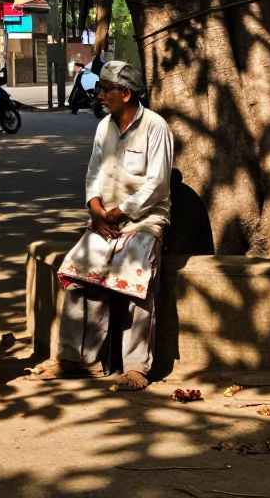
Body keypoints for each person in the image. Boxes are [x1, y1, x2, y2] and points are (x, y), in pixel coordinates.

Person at [31, 60, 173, 391]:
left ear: (125, 94)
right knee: (79, 277)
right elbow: (93, 172)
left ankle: (136, 367)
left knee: (135, 284)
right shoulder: (104, 128)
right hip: (104, 219)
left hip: (143, 220)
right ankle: (75, 359)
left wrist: (121, 212)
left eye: (105, 90)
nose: (100, 96)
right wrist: (95, 207)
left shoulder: (155, 127)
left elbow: (158, 184)